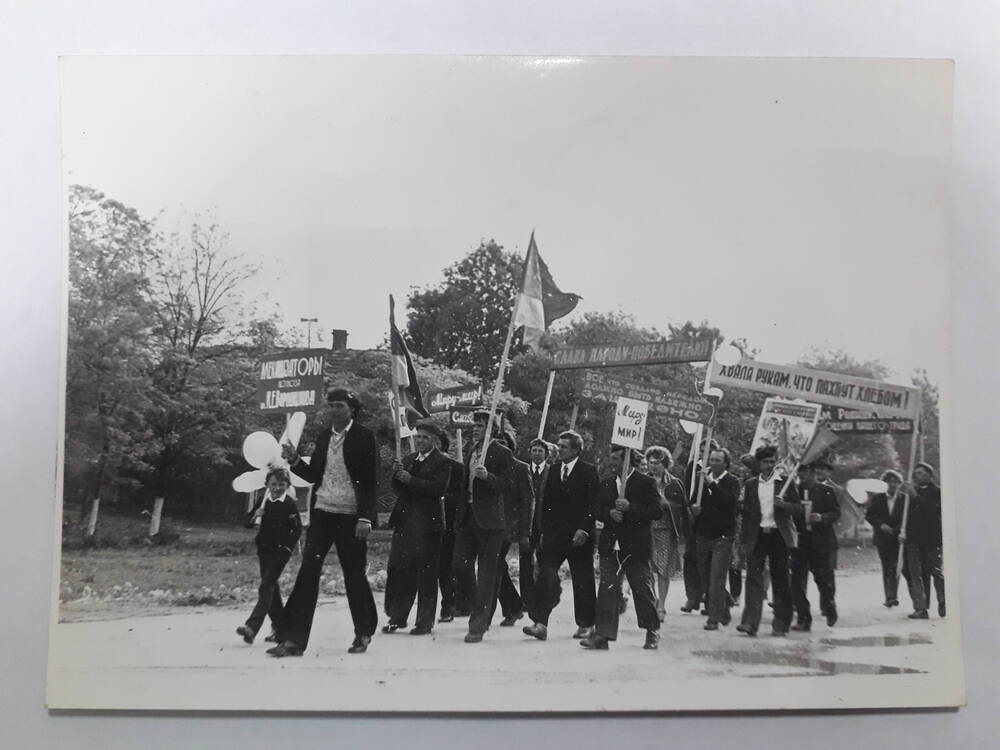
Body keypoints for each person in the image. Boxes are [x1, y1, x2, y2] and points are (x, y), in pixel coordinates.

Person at [269, 388, 379, 656]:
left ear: (351, 409)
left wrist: (365, 517)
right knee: (308, 573)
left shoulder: (365, 437)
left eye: (339, 406)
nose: (333, 410)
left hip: (352, 517)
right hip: (323, 513)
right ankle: (293, 640)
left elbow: (370, 480)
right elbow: (313, 474)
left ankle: (363, 632)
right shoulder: (323, 437)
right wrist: (294, 459)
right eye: (330, 406)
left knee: (354, 575)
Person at [582, 447, 662, 651]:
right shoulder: (607, 482)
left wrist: (630, 508)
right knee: (608, 590)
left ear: (629, 460)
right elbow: (596, 510)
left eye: (616, 459)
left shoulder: (646, 482)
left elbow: (656, 511)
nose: (612, 462)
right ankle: (603, 635)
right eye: (611, 458)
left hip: (636, 547)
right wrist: (609, 513)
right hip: (612, 546)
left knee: (642, 590)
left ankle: (652, 631)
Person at [523, 430, 600, 642]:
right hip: (554, 536)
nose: (559, 449)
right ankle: (540, 624)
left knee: (582, 580)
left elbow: (594, 505)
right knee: (546, 576)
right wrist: (541, 532)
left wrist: (584, 529)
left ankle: (585, 624)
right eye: (559, 445)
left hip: (579, 538)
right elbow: (545, 503)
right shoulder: (554, 470)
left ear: (576, 450)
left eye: (564, 446)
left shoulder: (589, 471)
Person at [383, 421, 452, 635]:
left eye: (425, 437)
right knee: (401, 571)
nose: (420, 441)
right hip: (405, 523)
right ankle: (397, 616)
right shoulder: (409, 459)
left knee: (426, 574)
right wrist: (397, 475)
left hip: (427, 526)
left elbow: (437, 488)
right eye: (418, 437)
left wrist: (410, 479)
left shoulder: (442, 461)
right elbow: (398, 488)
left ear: (435, 441)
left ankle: (424, 621)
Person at [452, 409, 514, 643]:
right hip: (468, 518)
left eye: (481, 425)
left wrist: (488, 476)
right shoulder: (471, 450)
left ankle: (478, 625)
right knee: (459, 564)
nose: (476, 428)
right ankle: (475, 606)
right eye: (475, 424)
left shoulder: (502, 452)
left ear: (492, 429)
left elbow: (508, 485)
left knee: (487, 574)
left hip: (490, 523)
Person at [736, 445, 801, 637]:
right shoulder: (751, 484)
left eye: (772, 461)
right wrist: (743, 540)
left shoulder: (785, 483)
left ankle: (781, 623)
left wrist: (785, 505)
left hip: (778, 536)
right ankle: (750, 623)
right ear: (758, 463)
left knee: (780, 579)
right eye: (765, 462)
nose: (769, 465)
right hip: (757, 535)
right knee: (753, 579)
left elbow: (798, 509)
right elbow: (747, 514)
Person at [237, 467, 303, 644]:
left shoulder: (289, 504)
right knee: (271, 590)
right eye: (273, 484)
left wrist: (287, 547)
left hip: (280, 552)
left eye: (282, 484)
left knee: (265, 587)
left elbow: (297, 529)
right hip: (264, 550)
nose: (277, 488)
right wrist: (254, 515)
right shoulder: (263, 500)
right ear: (267, 484)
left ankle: (252, 627)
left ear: (287, 485)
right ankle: (281, 629)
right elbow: (247, 523)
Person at [692, 448, 740, 630]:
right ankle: (724, 603)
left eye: (718, 460)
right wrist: (694, 508)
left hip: (723, 535)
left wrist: (711, 482)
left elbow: (728, 503)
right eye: (711, 460)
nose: (713, 463)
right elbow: (696, 500)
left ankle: (713, 618)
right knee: (705, 578)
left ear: (725, 463)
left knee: (716, 578)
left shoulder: (732, 481)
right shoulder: (702, 479)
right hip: (704, 534)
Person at [789, 462, 841, 631]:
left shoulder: (826, 490)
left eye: (804, 471)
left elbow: (835, 513)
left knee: (822, 579)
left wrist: (822, 517)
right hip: (800, 541)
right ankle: (804, 618)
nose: (801, 475)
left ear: (812, 472)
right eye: (799, 471)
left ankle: (829, 605)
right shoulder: (792, 490)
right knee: (796, 581)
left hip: (820, 541)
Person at [494, 430, 535, 627]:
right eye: (497, 443)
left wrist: (525, 533)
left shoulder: (520, 468)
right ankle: (513, 607)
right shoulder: (489, 468)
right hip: (489, 524)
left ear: (511, 447)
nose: (500, 447)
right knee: (495, 565)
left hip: (509, 527)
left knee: (495, 563)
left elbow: (528, 502)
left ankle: (513, 607)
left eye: (504, 443)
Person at [644, 445, 684, 622]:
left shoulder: (674, 483)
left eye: (658, 463)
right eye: (651, 462)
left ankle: (661, 606)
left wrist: (668, 504)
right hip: (646, 529)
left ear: (666, 463)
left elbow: (683, 508)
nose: (653, 466)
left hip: (666, 530)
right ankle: (653, 599)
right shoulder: (644, 481)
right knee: (648, 567)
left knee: (663, 569)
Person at [901, 462, 945, 619]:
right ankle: (920, 608)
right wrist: (902, 532)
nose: (918, 475)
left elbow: (932, 513)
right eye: (916, 473)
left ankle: (944, 600)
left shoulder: (938, 492)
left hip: (932, 540)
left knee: (936, 573)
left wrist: (915, 497)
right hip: (913, 540)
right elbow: (905, 515)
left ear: (930, 475)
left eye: (922, 472)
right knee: (915, 574)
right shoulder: (910, 493)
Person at [865, 469, 905, 608]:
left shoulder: (904, 499)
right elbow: (869, 515)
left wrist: (899, 528)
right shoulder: (878, 498)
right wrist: (881, 525)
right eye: (889, 482)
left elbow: (908, 517)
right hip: (882, 538)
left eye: (895, 482)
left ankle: (893, 595)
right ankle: (889, 597)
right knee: (886, 567)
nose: (892, 484)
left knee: (896, 567)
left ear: (899, 483)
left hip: (898, 538)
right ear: (885, 483)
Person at [521, 438, 551, 617]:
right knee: (525, 561)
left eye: (540, 451)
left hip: (545, 524)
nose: (537, 454)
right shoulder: (524, 470)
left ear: (546, 454)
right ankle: (527, 599)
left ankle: (542, 598)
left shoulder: (552, 472)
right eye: (534, 451)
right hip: (527, 524)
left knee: (544, 563)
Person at [437, 431, 465, 622]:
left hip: (451, 523)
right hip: (428, 524)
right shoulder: (419, 465)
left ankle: (450, 605)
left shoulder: (456, 468)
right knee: (438, 567)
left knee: (449, 565)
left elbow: (463, 495)